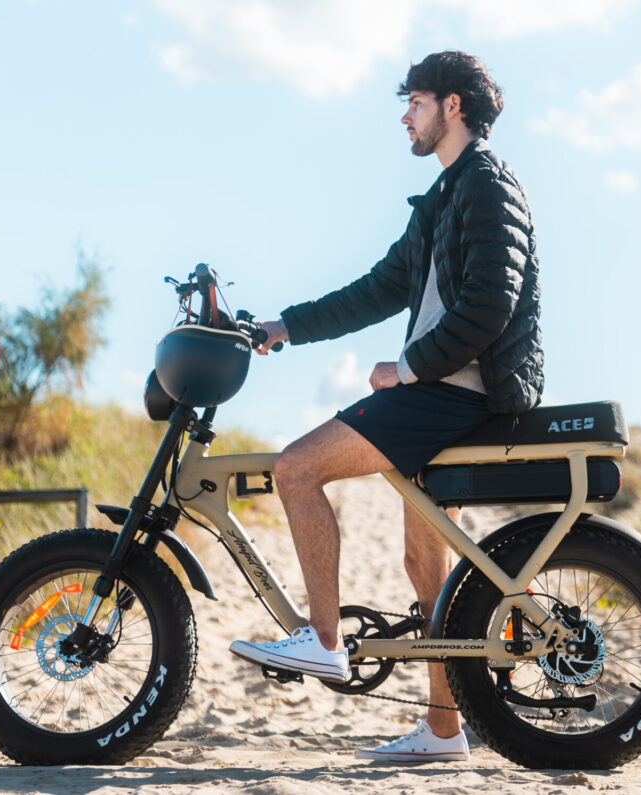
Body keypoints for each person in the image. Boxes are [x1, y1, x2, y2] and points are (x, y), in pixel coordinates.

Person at [229, 50, 543, 763]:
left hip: (455, 394)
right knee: (425, 566)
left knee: (296, 468)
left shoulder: (488, 184)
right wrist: (285, 326)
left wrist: (405, 369)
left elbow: (490, 305)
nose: (405, 116)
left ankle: (324, 640)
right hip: (440, 392)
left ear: (453, 106)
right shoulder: (443, 199)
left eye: (416, 102)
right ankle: (443, 729)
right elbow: (376, 290)